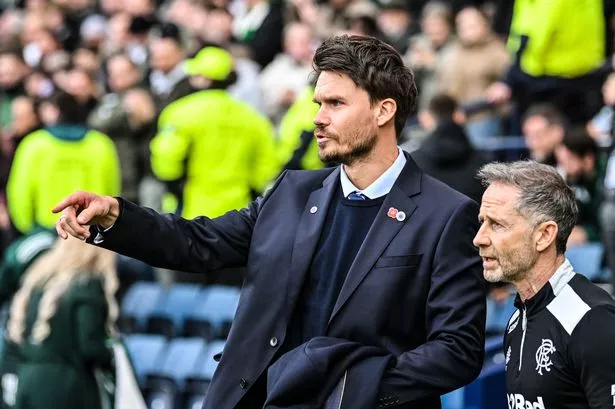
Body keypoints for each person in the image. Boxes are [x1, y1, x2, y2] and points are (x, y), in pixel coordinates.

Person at [53, 35, 486, 409]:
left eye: (335, 103)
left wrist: (354, 389)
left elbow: (457, 350)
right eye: (318, 103)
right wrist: (116, 217)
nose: (318, 117)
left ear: (383, 110)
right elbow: (196, 242)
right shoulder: (291, 192)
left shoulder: (446, 214)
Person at [473, 160, 615, 409]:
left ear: (544, 235)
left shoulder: (592, 321)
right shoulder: (518, 320)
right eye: (482, 222)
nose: (479, 238)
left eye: (496, 224)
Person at [149, 46, 280, 219]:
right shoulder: (253, 117)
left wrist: (176, 190)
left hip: (191, 210)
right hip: (239, 211)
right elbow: (267, 165)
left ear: (203, 79)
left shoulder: (179, 112)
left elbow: (166, 158)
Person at [6, 236, 118, 409]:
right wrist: (111, 356)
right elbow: (89, 346)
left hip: (27, 380)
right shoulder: (87, 284)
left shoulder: (37, 281)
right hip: (66, 387)